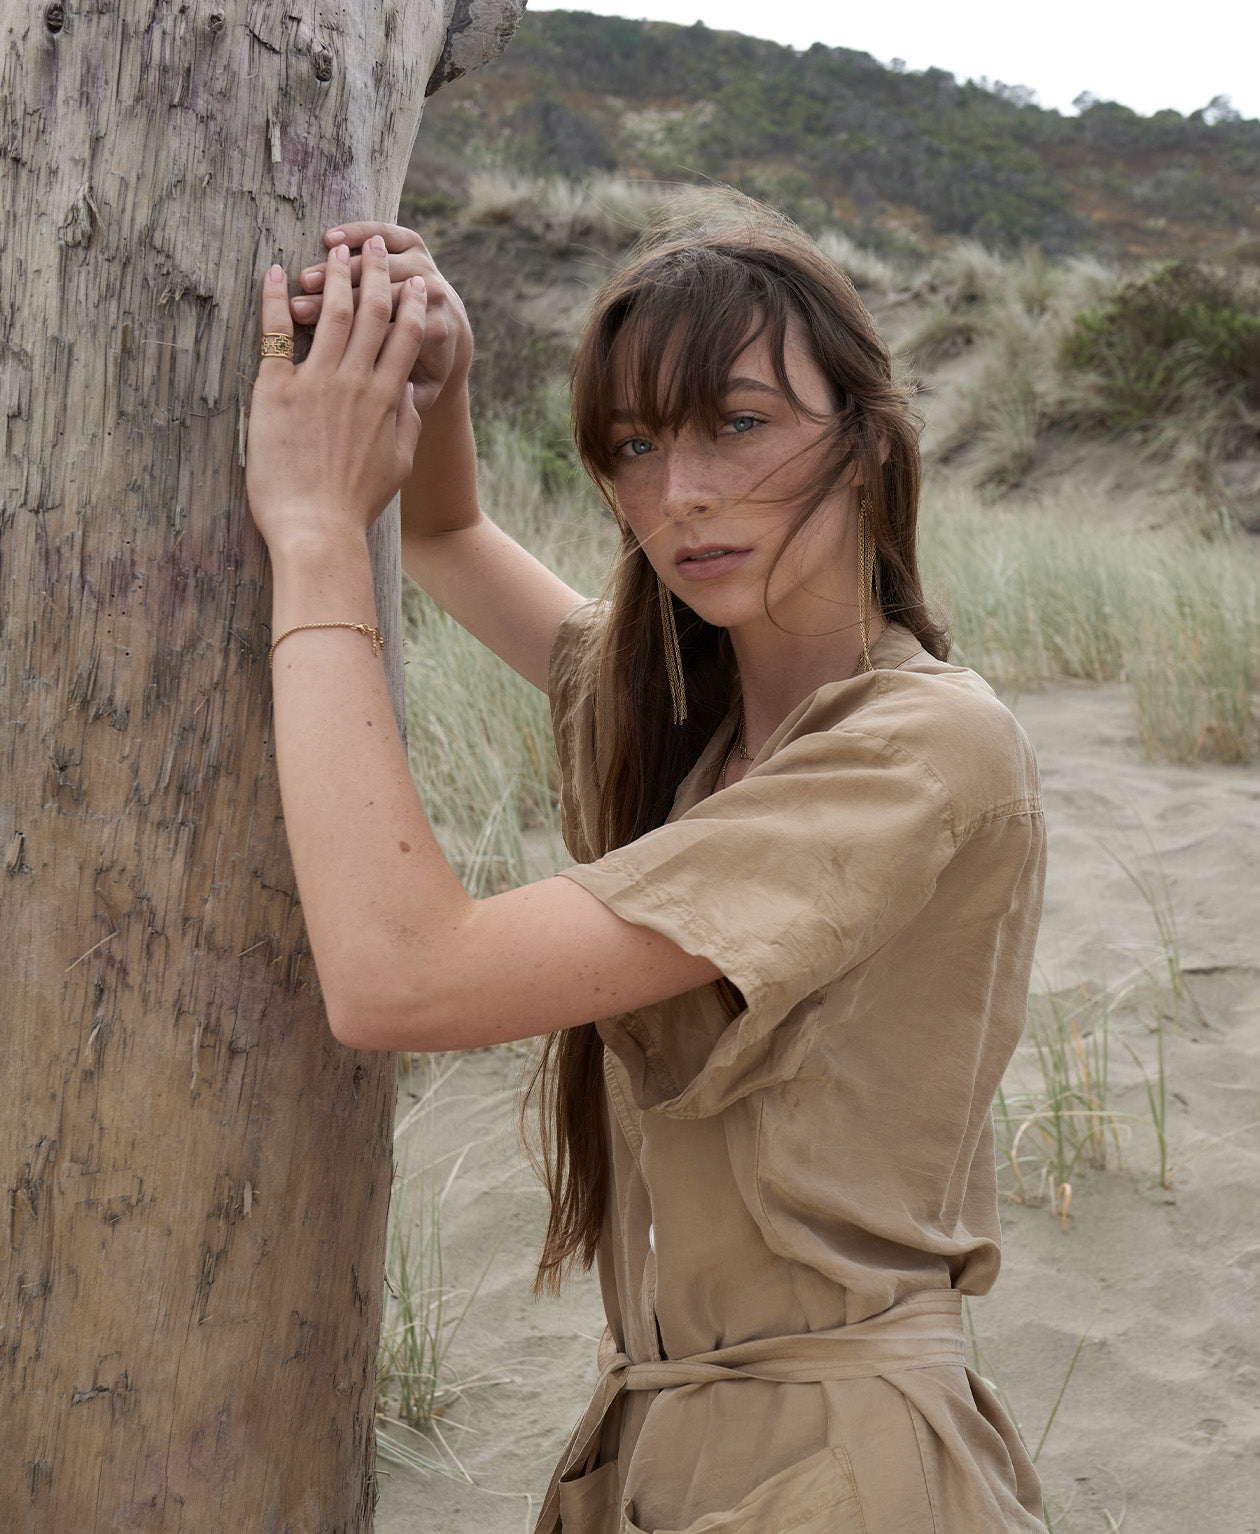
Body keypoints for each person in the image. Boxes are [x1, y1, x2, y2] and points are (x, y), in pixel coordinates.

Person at [246, 194, 1048, 1533]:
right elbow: (448, 542)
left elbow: (396, 978)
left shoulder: (925, 746)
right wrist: (438, 366)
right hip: (666, 1444)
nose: (681, 496)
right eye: (633, 444)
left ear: (867, 436)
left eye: (739, 424)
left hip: (841, 1467)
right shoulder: (683, 713)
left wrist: (318, 531)